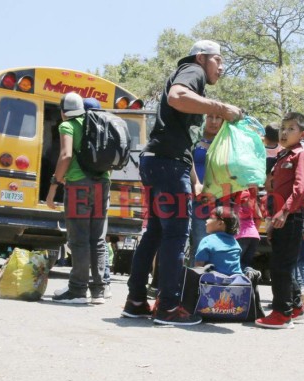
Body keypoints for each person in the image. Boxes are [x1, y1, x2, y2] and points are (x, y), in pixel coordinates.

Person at [121, 40, 243, 326]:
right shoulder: (193, 70)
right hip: (166, 164)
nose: (222, 67)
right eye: (219, 60)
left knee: (154, 233)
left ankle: (136, 301)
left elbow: (183, 147)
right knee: (176, 236)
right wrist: (222, 108)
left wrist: (196, 181)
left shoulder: (193, 77)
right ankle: (169, 307)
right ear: (202, 57)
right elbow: (177, 96)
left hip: (158, 161)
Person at [46, 92, 109, 305]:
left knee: (79, 238)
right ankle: (99, 291)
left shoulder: (67, 126)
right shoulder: (96, 122)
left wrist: (54, 185)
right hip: (102, 184)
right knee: (97, 239)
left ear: (63, 112)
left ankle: (78, 290)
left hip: (78, 185)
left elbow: (66, 155)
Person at [255, 112, 304, 329]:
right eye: (283, 128)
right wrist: (272, 218)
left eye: (291, 128)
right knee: (283, 265)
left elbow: (300, 189)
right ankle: (295, 307)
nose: (285, 132)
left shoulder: (301, 155)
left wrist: (285, 212)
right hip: (282, 218)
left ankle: (282, 314)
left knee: (280, 267)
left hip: (293, 217)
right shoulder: (282, 157)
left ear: (302, 134)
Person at [195, 206, 265, 319]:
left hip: (213, 289)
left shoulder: (207, 241)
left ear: (220, 223)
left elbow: (198, 267)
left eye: (210, 218)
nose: (206, 221)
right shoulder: (234, 242)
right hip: (235, 289)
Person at [189, 113, 224, 267]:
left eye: (218, 118)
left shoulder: (226, 142)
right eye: (210, 117)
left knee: (215, 246)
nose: (214, 121)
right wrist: (196, 182)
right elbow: (187, 160)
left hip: (220, 200)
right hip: (196, 198)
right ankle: (193, 284)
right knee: (199, 243)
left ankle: (208, 285)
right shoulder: (194, 137)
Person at [233, 188, 261, 272]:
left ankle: (238, 283)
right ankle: (249, 282)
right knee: (246, 264)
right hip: (254, 236)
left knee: (236, 263)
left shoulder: (240, 195)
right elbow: (259, 216)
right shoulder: (253, 199)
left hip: (241, 235)